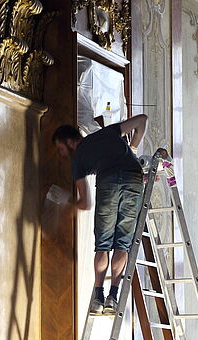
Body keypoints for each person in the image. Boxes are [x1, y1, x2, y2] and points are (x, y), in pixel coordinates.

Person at [52, 114, 148, 314]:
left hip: (108, 183)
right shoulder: (109, 132)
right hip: (134, 179)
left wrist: (67, 205)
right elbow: (142, 120)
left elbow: (85, 203)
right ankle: (113, 296)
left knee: (103, 244)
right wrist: (133, 148)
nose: (62, 155)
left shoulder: (77, 161)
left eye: (61, 149)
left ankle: (98, 296)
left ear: (70, 142)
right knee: (123, 243)